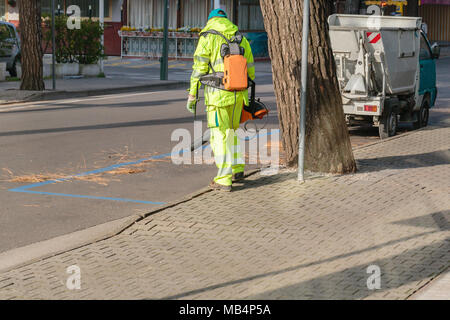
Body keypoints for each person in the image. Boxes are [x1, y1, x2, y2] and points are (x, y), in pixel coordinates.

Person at [187, 8, 255, 192]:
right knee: (232, 132)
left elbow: (199, 69)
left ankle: (224, 179)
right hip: (238, 94)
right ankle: (237, 168)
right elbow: (250, 69)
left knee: (219, 135)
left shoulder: (208, 37)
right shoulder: (241, 38)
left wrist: (192, 94)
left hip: (218, 97)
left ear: (210, 20)